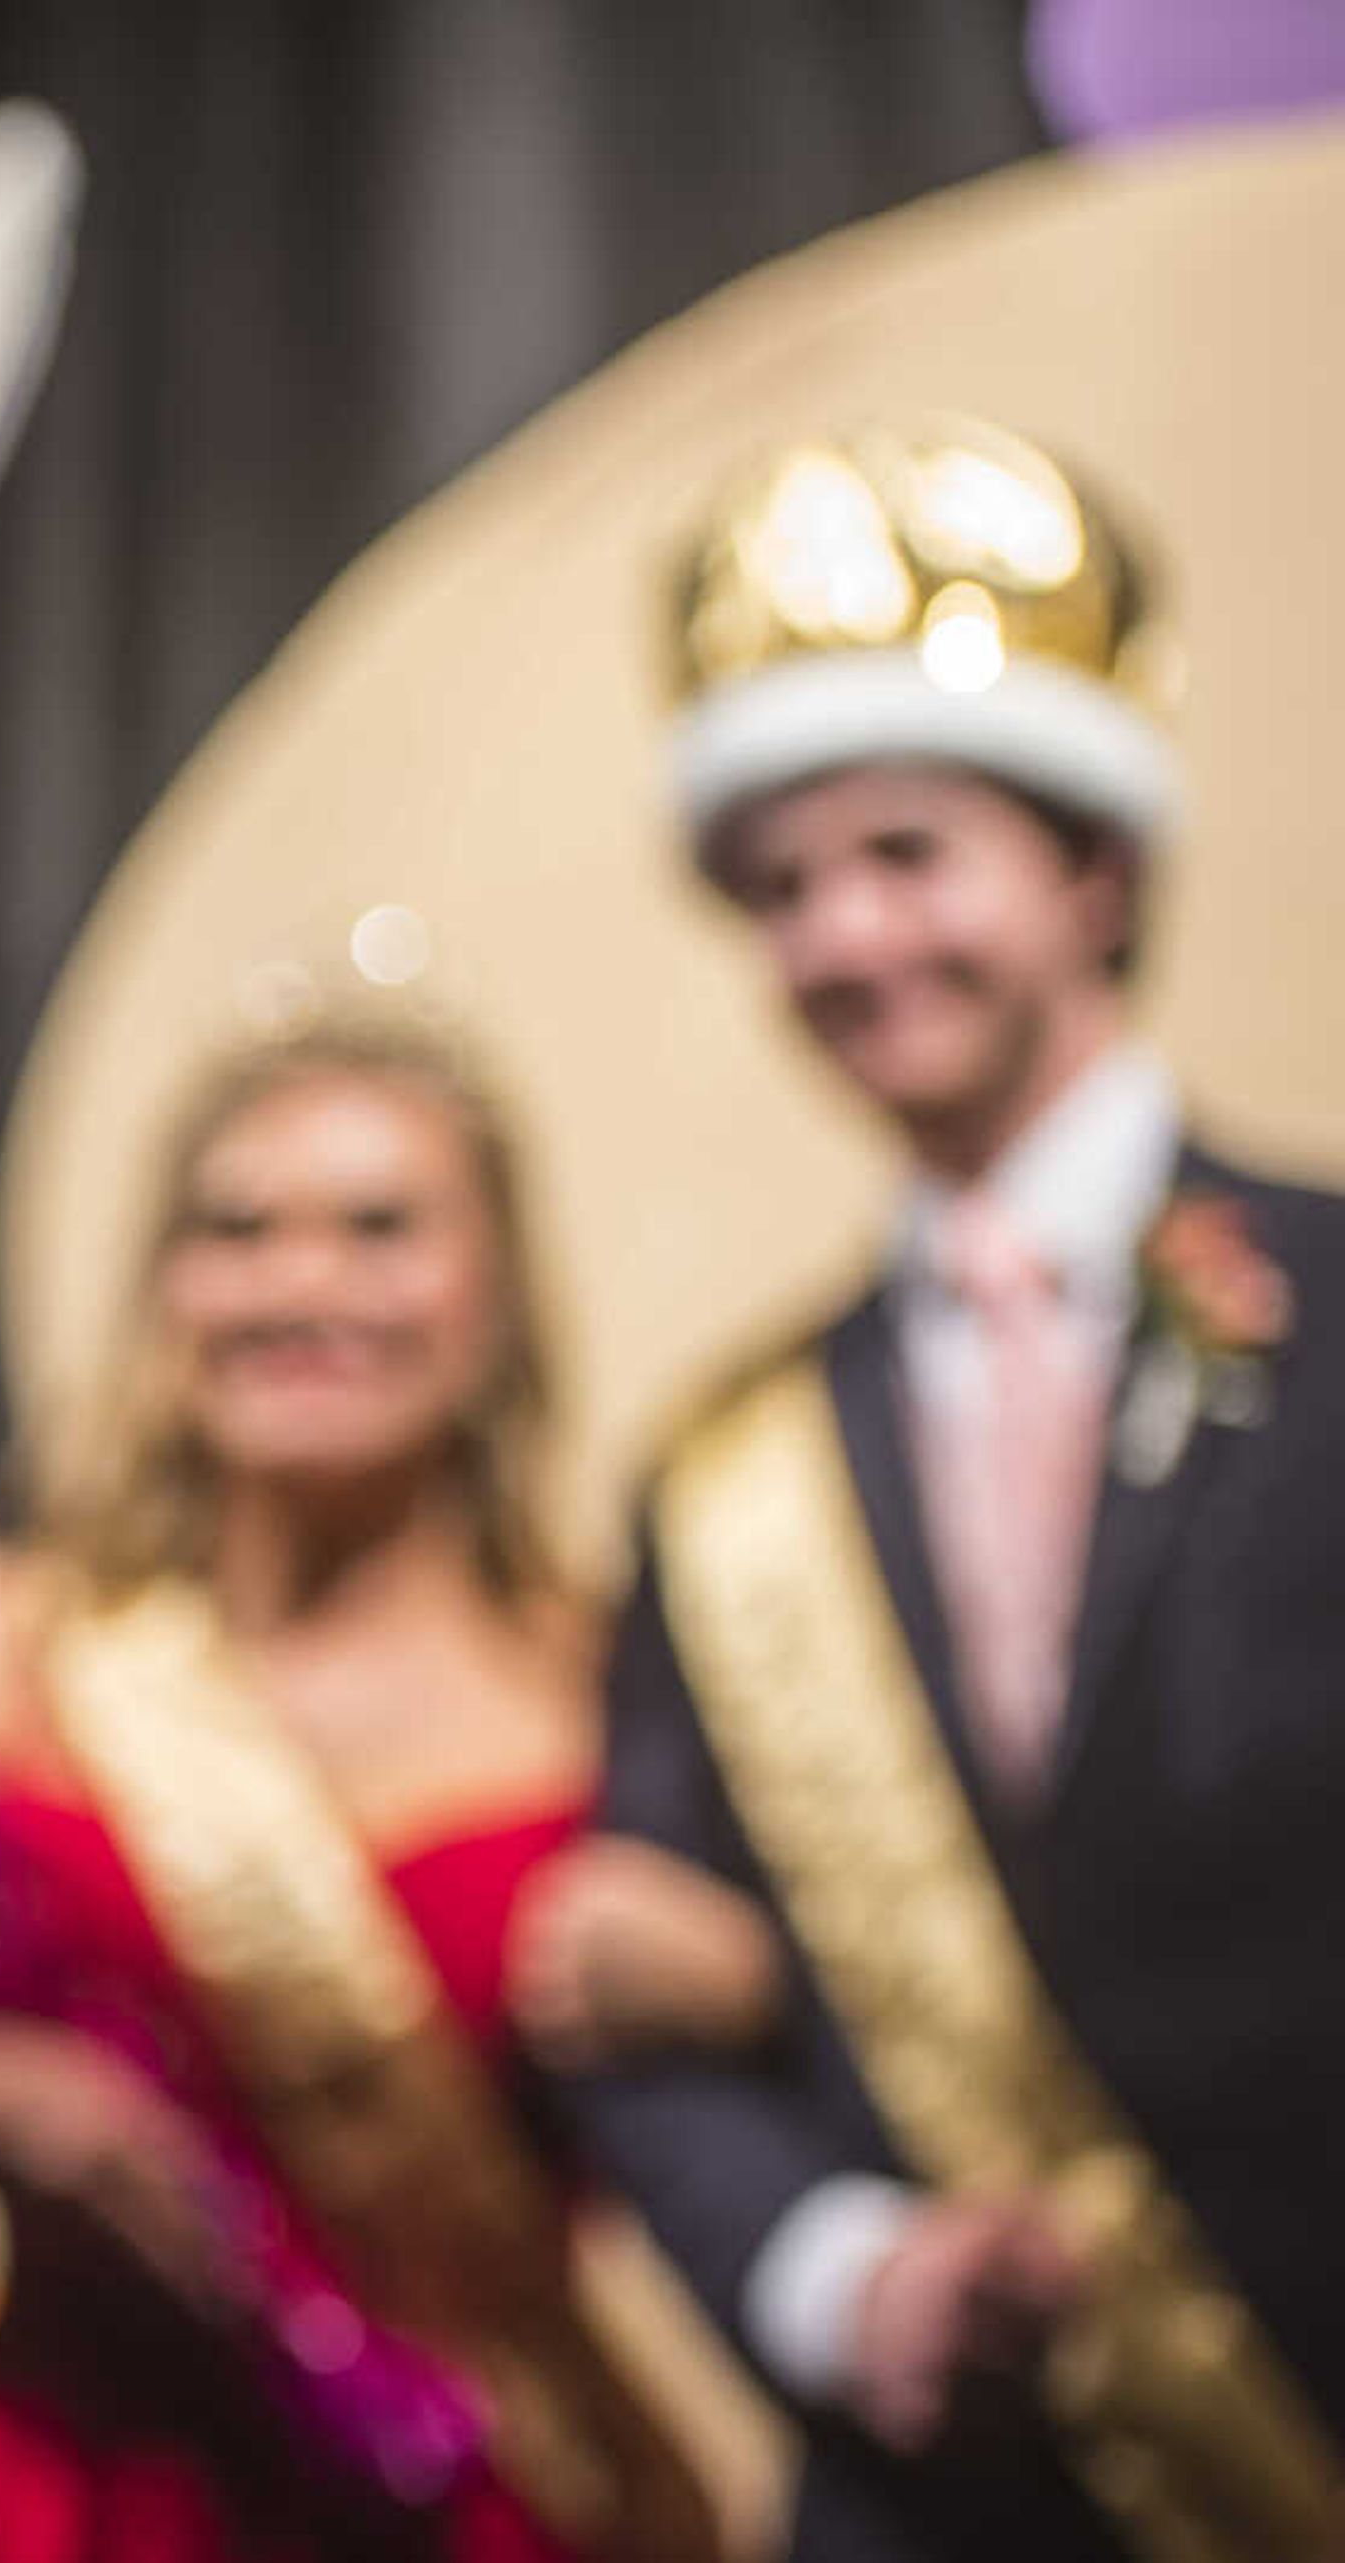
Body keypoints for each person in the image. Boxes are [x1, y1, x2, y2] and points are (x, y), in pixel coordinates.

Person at [550, 416, 1345, 2562]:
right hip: (932, 2511)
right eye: (784, 885)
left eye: (908, 851)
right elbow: (633, 2013)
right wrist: (835, 2274)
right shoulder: (731, 1468)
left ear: (1095, 871)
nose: (842, 937)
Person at [0, 1018, 757, 2563]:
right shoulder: (8, 1649)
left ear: (501, 1294)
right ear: (163, 1292)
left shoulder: (621, 1687)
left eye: (381, 1228)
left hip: (466, 2498)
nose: (300, 1285)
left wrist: (748, 1985)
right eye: (236, 1229)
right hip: (71, 2490)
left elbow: (815, 2111)